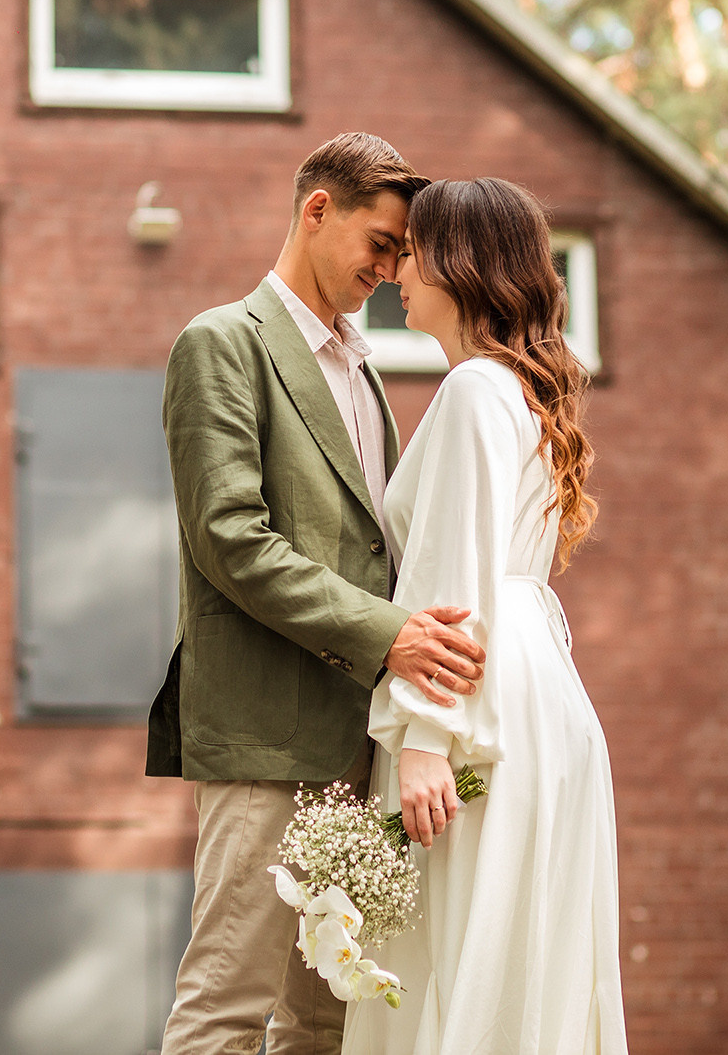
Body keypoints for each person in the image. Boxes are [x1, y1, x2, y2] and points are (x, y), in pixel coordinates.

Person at [148, 132, 489, 1055]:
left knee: (327, 1021)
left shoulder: (367, 370)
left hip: (356, 743)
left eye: (401, 253)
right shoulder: (222, 342)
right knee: (226, 1005)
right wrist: (394, 636)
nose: (390, 266)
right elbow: (232, 540)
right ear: (316, 210)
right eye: (379, 243)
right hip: (262, 737)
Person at [342, 177, 629, 1055]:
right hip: (538, 701)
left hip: (476, 708)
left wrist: (426, 737)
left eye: (415, 249)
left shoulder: (474, 388)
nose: (397, 269)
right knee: (516, 965)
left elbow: (451, 574)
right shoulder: (524, 393)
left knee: (458, 954)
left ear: (462, 263)